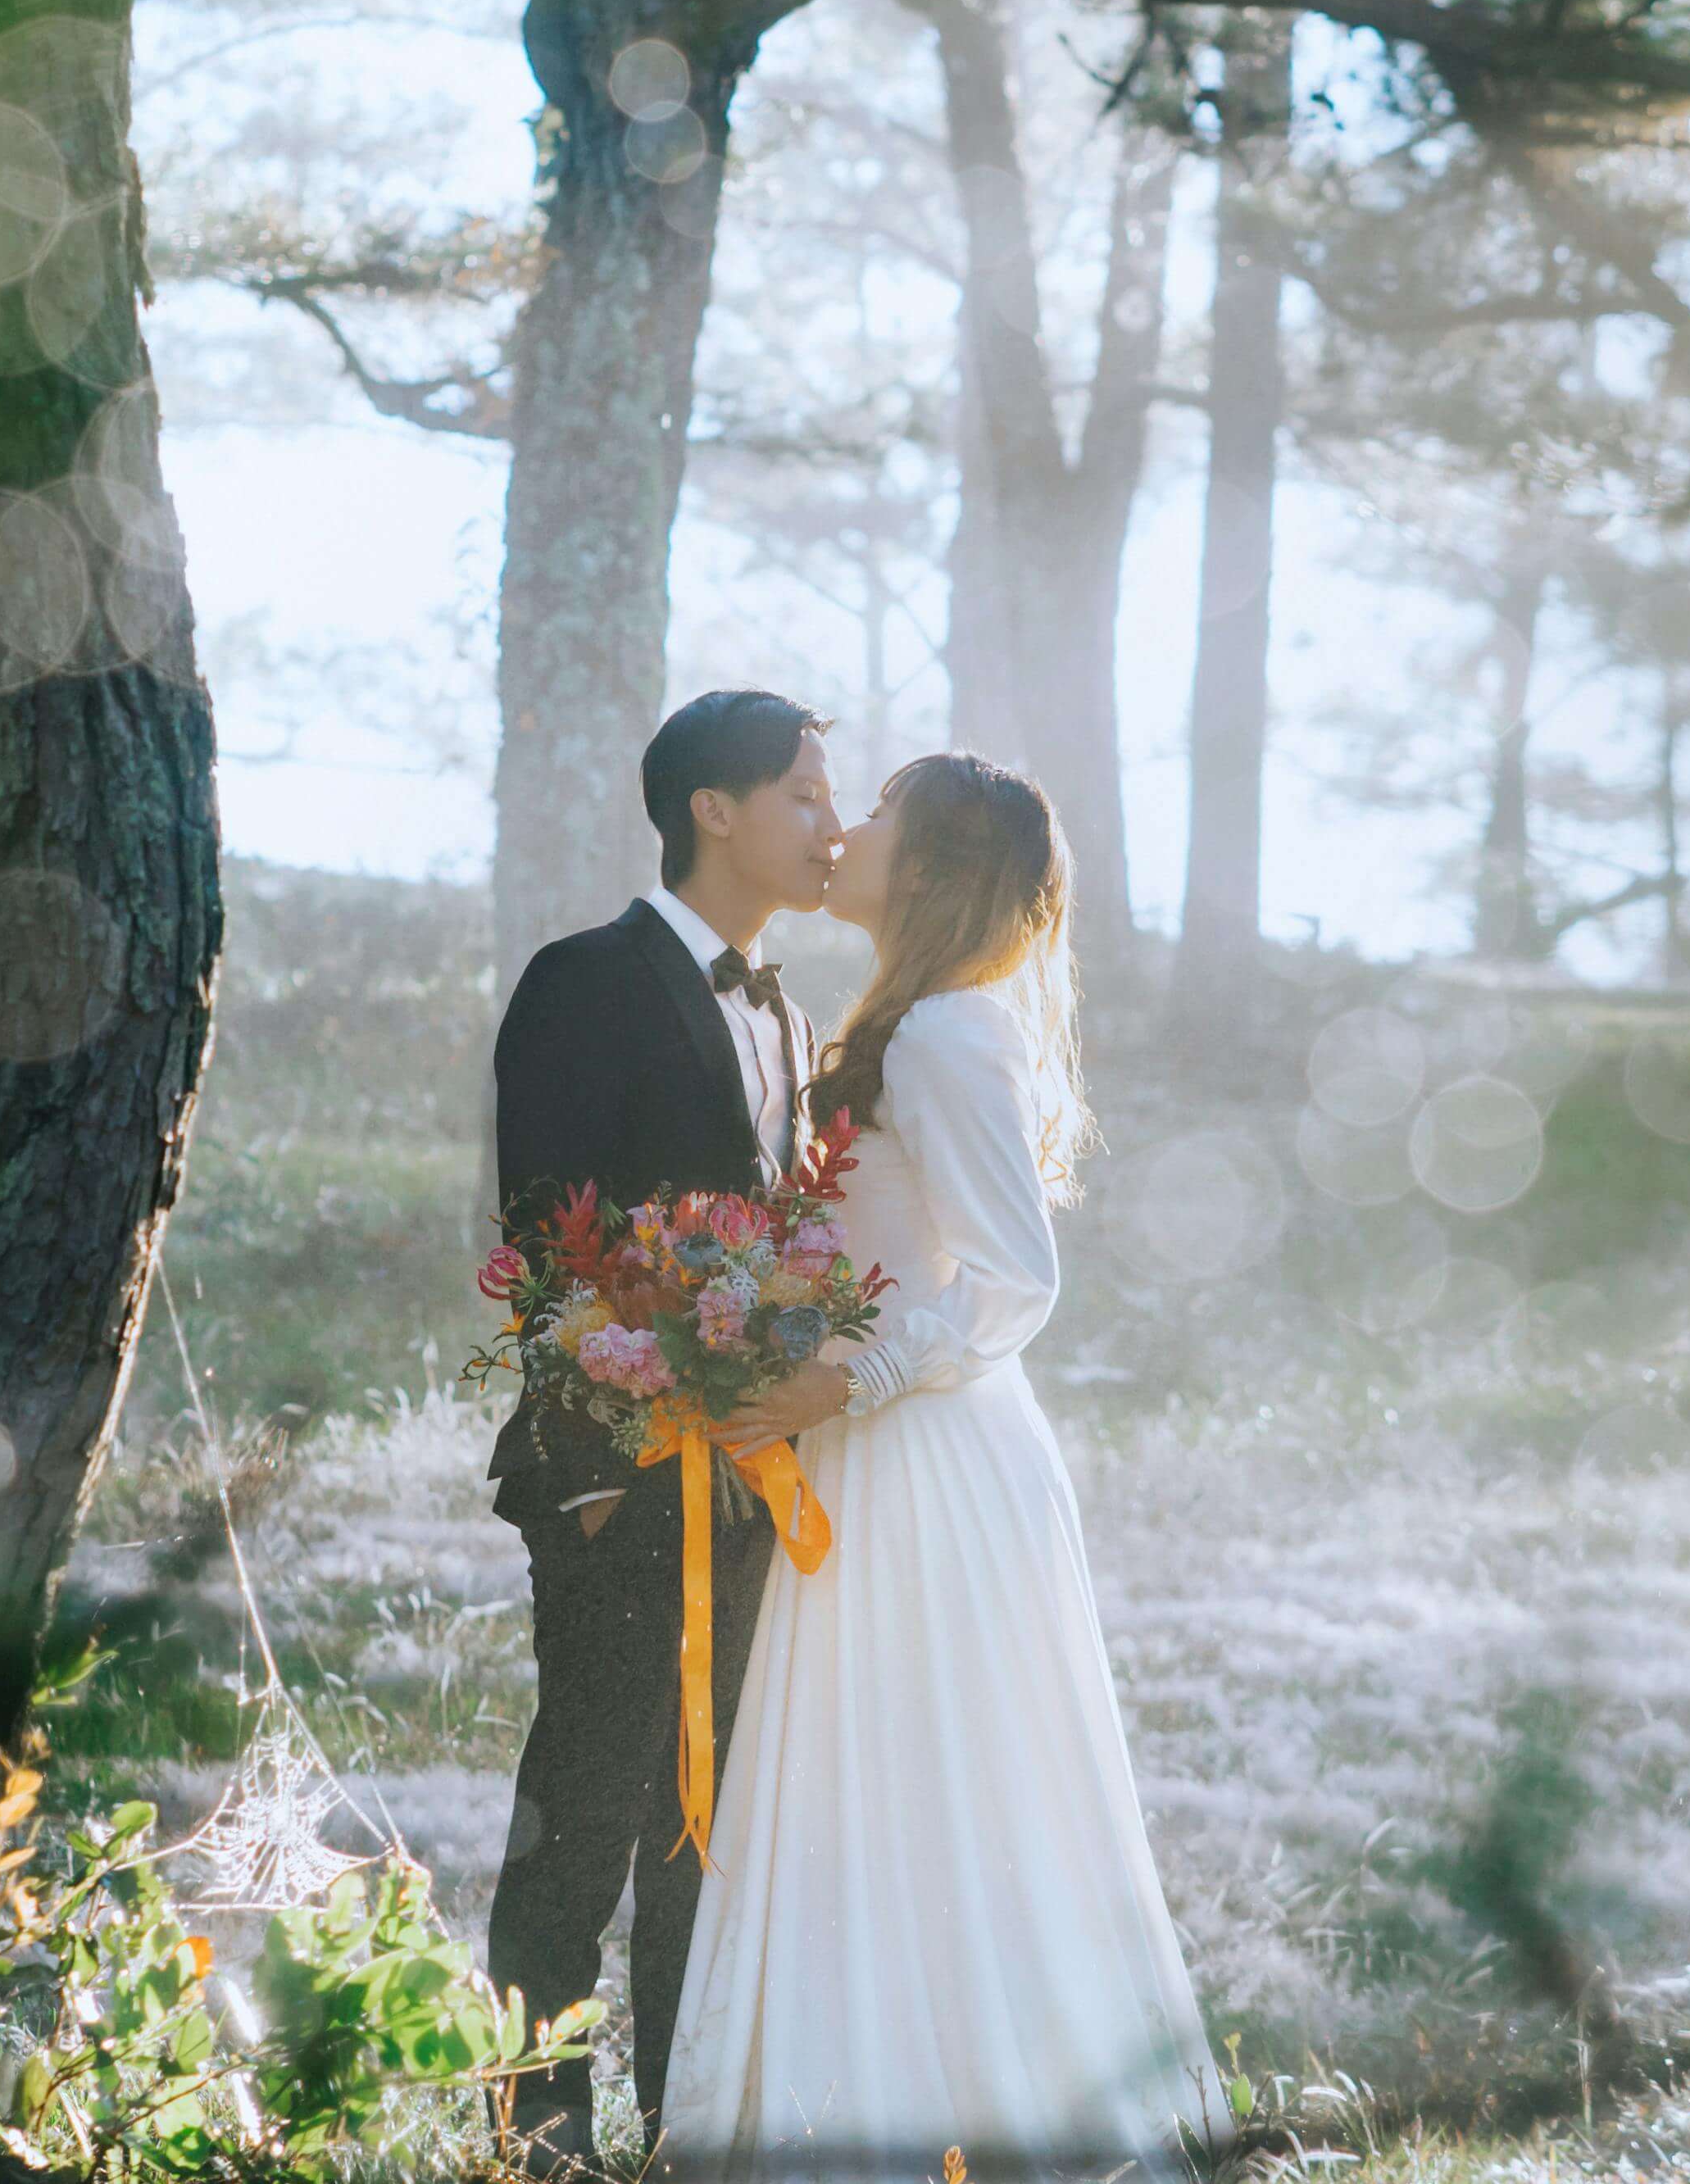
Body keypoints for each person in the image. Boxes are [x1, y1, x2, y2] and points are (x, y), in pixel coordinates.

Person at [660, 751, 1232, 2177]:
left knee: (940, 1785)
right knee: (876, 1783)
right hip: (881, 1448)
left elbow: (1013, 1284)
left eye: (881, 818)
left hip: (927, 1454)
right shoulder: (907, 1022)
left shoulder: (945, 1039)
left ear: (926, 869)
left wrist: (836, 1373)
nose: (845, 831)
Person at [484, 688, 851, 2173]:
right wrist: (584, 1480)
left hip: (755, 1485)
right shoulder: (583, 981)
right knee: (582, 1814)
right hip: (616, 1483)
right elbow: (546, 1236)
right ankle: (535, 2141)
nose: (832, 830)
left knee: (709, 1829)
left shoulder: (796, 1016)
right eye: (808, 799)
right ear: (717, 807)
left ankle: (679, 2137)